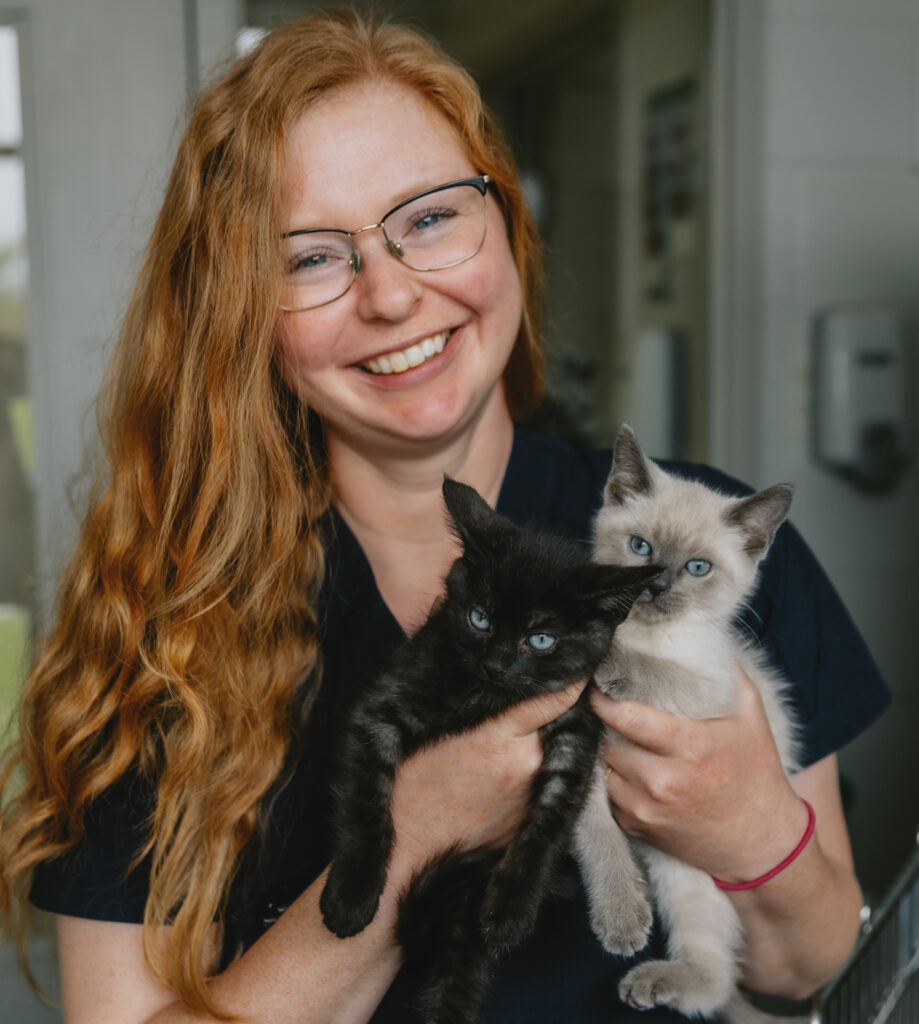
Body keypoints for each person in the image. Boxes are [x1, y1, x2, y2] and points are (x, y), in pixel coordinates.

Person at [0, 9, 889, 1023]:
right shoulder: (163, 627)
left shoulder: (697, 546)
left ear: (504, 222)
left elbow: (811, 966)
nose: (390, 295)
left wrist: (740, 819)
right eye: (310, 258)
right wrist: (412, 831)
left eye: (428, 217)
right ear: (240, 313)